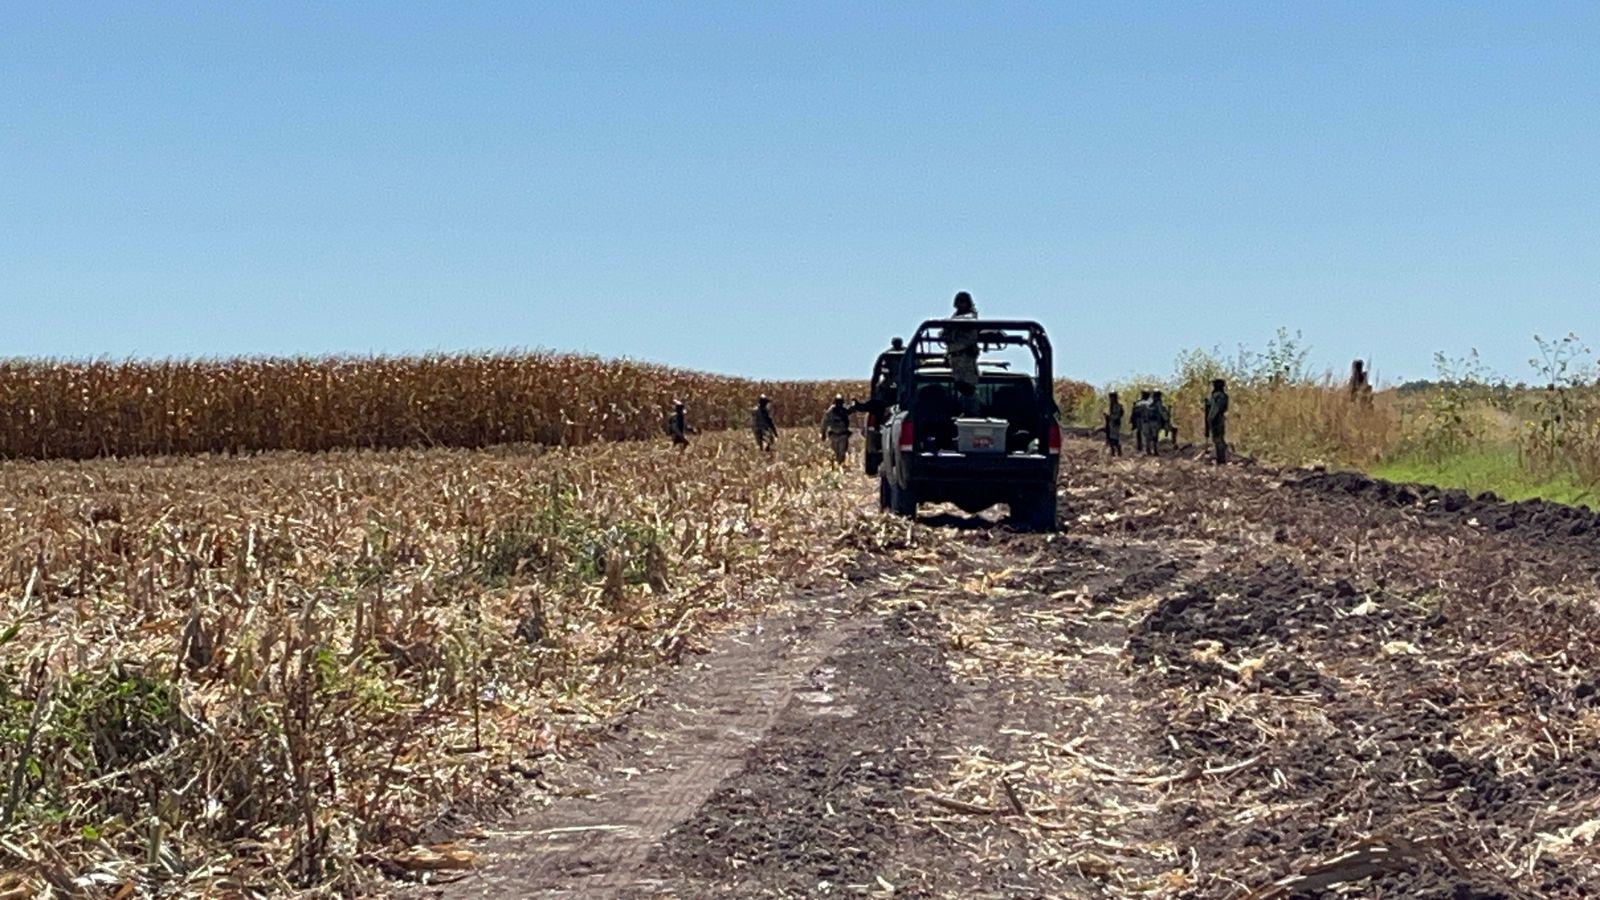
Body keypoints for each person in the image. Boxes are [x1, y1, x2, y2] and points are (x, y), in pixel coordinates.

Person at [942, 291, 981, 416]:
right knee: (959, 385)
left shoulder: (971, 316)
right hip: (955, 356)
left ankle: (973, 413)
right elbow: (944, 332)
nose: (960, 304)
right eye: (959, 301)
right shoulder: (955, 317)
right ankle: (964, 411)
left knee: (968, 387)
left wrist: (951, 323)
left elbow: (967, 321)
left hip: (966, 356)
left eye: (963, 301)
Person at [820, 395, 853, 465]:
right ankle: (836, 466)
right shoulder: (830, 411)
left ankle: (840, 465)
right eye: (838, 403)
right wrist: (823, 432)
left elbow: (850, 411)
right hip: (834, 435)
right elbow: (825, 422)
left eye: (840, 403)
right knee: (835, 452)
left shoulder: (844, 410)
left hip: (843, 435)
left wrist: (854, 406)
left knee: (842, 452)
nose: (839, 405)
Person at [1204, 378, 1229, 464]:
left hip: (1217, 419)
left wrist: (1210, 418)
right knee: (1217, 439)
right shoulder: (1219, 396)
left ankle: (1221, 459)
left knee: (1218, 439)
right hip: (1217, 419)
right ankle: (1220, 458)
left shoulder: (1219, 396)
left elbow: (1216, 409)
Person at [1141, 391, 1168, 457]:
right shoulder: (1158, 403)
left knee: (1148, 437)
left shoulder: (1148, 403)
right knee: (1155, 437)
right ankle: (1155, 450)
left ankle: (1148, 450)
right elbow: (1162, 412)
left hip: (1147, 422)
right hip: (1155, 422)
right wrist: (1166, 419)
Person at [1104, 391, 1124, 456]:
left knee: (1114, 438)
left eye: (1112, 397)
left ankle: (1118, 451)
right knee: (1110, 438)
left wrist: (1110, 417)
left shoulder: (1118, 406)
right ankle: (1113, 451)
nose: (1111, 399)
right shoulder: (1110, 406)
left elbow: (1119, 415)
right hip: (1110, 423)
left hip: (1115, 424)